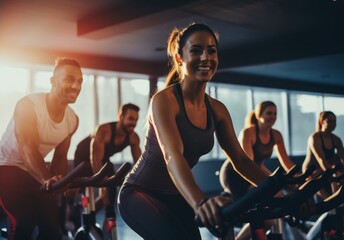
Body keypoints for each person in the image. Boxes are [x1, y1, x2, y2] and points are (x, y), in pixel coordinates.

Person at [117, 23, 269, 240]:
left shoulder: (217, 110)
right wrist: (200, 201)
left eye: (211, 50)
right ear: (180, 59)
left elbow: (241, 161)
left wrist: (276, 189)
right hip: (139, 192)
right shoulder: (164, 101)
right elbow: (172, 156)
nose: (205, 57)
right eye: (196, 50)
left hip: (176, 195)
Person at [0, 57, 83, 240]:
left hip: (31, 171)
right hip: (2, 165)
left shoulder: (72, 120)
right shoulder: (29, 105)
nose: (76, 86)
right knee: (24, 219)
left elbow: (60, 156)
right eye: (69, 79)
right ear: (53, 82)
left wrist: (59, 184)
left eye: (79, 81)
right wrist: (46, 178)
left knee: (51, 225)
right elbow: (27, 148)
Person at [220, 100, 296, 240]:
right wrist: (267, 186)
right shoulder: (249, 133)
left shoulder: (276, 135)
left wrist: (298, 178)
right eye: (268, 113)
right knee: (254, 215)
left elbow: (285, 161)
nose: (272, 117)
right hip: (235, 174)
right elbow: (247, 163)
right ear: (259, 114)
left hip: (253, 172)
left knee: (268, 221)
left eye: (275, 114)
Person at [73, 103, 141, 225]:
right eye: (130, 118)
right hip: (84, 157)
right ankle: (74, 210)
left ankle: (97, 216)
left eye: (136, 119)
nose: (134, 123)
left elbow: (140, 162)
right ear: (120, 117)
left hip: (103, 158)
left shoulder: (133, 138)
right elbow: (95, 159)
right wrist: (102, 184)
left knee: (110, 193)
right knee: (83, 189)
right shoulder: (104, 130)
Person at [302, 111, 344, 199]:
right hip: (311, 172)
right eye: (329, 121)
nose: (333, 124)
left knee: (337, 174)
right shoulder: (314, 137)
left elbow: (342, 158)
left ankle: (336, 204)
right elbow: (322, 160)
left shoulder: (336, 139)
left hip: (326, 170)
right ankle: (332, 203)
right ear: (322, 122)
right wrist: (335, 176)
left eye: (334, 121)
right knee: (334, 177)